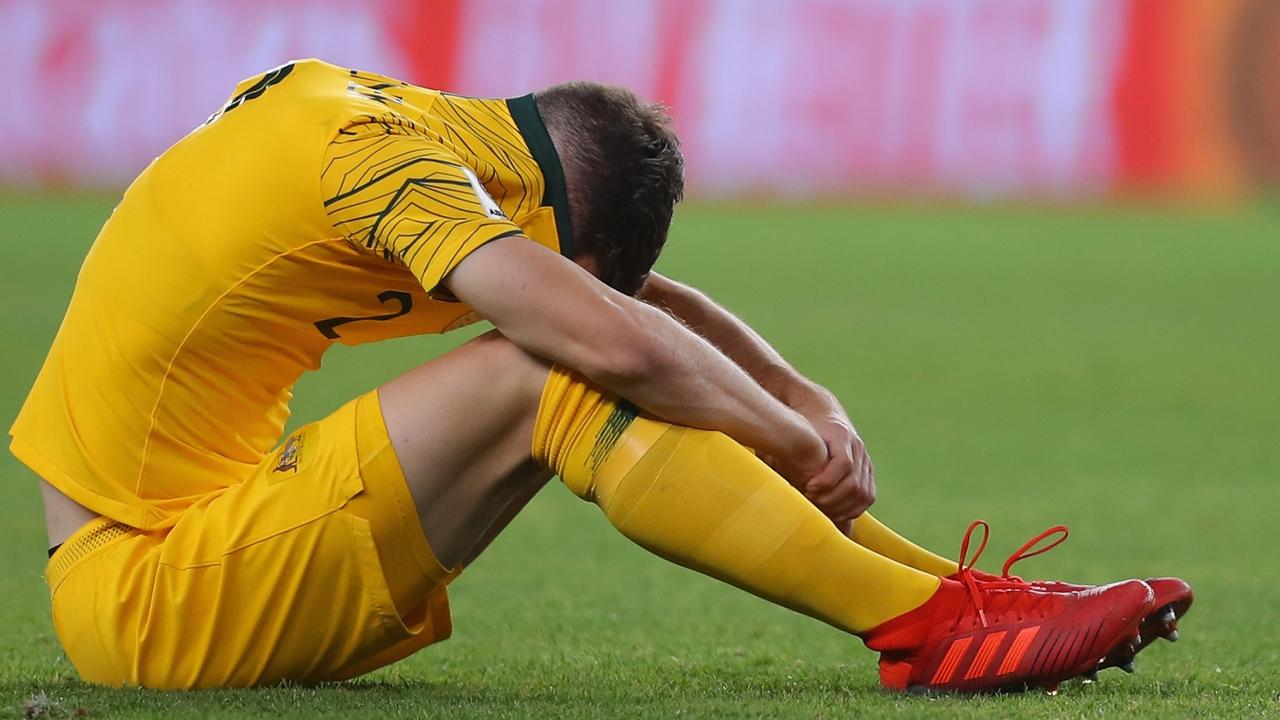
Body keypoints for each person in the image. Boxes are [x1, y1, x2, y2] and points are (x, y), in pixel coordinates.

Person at [10, 59, 1189, 692]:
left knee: (557, 347)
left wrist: (808, 403)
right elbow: (614, 340)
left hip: (186, 549)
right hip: (150, 592)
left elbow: (634, 310)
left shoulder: (398, 130)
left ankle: (965, 602)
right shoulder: (383, 171)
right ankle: (928, 626)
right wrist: (787, 444)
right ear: (563, 241)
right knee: (545, 370)